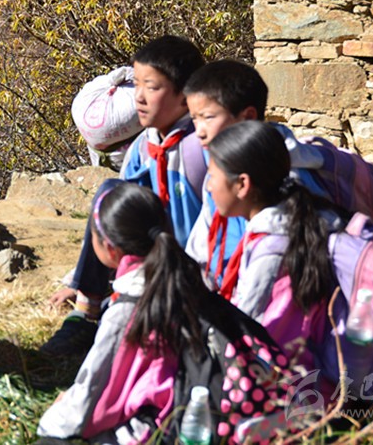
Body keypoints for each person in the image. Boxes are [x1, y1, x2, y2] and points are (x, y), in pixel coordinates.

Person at [41, 35, 206, 356]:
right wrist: (78, 280)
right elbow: (119, 216)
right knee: (109, 194)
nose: (139, 98)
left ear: (186, 95)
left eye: (151, 87)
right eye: (137, 85)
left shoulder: (200, 149)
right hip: (149, 266)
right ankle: (87, 307)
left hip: (195, 274)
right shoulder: (143, 147)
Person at [37, 183, 211, 443]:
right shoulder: (186, 281)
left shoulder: (126, 310)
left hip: (157, 429)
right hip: (193, 411)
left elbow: (90, 401)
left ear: (110, 249)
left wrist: (54, 415)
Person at [205, 120, 342, 367]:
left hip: (291, 378)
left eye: (212, 176)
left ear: (242, 184)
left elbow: (244, 329)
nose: (208, 185)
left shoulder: (271, 250)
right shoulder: (295, 220)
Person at [183, 60, 328, 289]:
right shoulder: (218, 172)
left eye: (208, 117)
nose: (199, 131)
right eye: (194, 118)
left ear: (248, 116)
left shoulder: (286, 175)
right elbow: (201, 245)